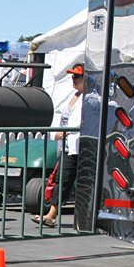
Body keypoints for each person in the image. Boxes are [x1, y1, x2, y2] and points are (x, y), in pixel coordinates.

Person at [34, 64, 86, 228]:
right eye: (73, 77)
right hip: (69, 146)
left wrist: (66, 132)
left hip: (84, 146)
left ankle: (84, 217)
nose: (73, 80)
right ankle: (52, 214)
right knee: (62, 180)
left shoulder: (91, 98)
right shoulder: (75, 95)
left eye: (77, 77)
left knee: (84, 184)